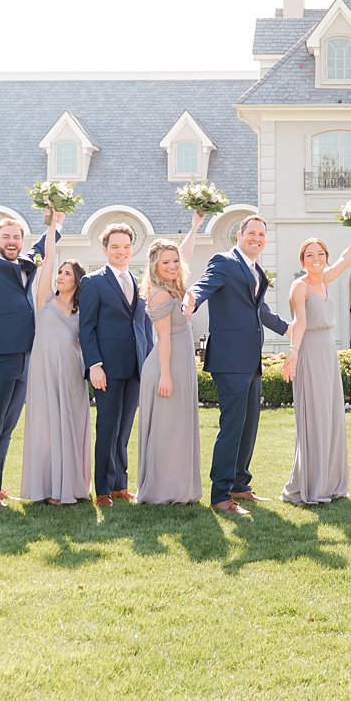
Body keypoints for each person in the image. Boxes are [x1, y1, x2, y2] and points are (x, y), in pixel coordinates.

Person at [185, 214, 291, 515]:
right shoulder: (225, 261)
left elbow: (261, 311)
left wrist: (288, 328)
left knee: (248, 425)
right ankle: (220, 495)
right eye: (252, 233)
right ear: (239, 235)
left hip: (250, 359)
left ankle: (239, 485)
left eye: (262, 234)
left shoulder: (256, 269)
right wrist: (191, 298)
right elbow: (204, 285)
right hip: (229, 359)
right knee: (232, 426)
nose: (257, 238)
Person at [0, 195, 57, 507]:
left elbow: (46, 244)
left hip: (24, 355)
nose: (12, 241)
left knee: (8, 425)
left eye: (17, 236)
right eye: (6, 236)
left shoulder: (28, 264)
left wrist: (54, 218)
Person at [280, 227, 351, 504]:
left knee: (330, 416)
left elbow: (346, 260)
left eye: (320, 254)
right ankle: (310, 484)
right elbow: (301, 323)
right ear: (302, 260)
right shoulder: (300, 286)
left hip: (328, 352)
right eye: (309, 255)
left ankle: (331, 482)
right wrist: (292, 353)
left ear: (325, 257)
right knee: (315, 416)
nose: (315, 258)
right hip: (309, 351)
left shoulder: (325, 281)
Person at [19, 209, 92, 505]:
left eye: (67, 274)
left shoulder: (83, 309)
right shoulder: (45, 300)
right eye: (60, 272)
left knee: (70, 423)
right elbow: (47, 259)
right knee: (45, 424)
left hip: (71, 371)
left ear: (76, 281)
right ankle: (45, 486)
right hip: (42, 368)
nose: (61, 276)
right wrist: (52, 226)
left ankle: (70, 487)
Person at [80, 222, 153, 507]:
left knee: (124, 428)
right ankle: (103, 490)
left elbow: (143, 325)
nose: (121, 252)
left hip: (135, 366)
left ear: (131, 248)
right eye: (115, 247)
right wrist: (94, 365)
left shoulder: (138, 282)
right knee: (107, 428)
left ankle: (120, 484)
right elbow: (86, 328)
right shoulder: (93, 282)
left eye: (126, 247)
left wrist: (149, 362)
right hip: (106, 369)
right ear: (104, 249)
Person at [135, 213, 204, 505]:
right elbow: (163, 338)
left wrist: (195, 226)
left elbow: (184, 253)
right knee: (168, 427)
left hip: (180, 361)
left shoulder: (175, 284)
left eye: (174, 262)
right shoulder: (159, 294)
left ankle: (179, 486)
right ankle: (163, 490)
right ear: (155, 266)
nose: (173, 266)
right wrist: (165, 375)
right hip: (167, 364)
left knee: (178, 425)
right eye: (166, 263)